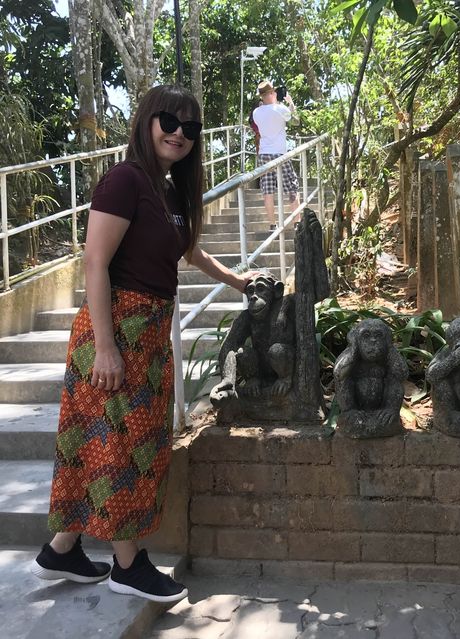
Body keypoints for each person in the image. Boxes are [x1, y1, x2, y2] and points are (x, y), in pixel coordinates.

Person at [31, 84, 254, 604]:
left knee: (114, 447)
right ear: (147, 122)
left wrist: (239, 281)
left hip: (151, 334)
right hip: (114, 331)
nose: (179, 134)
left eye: (191, 128)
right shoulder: (125, 181)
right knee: (121, 450)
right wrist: (106, 347)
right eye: (169, 122)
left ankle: (62, 550)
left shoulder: (171, 191)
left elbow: (190, 251)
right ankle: (129, 565)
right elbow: (95, 263)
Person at [252, 81, 300, 229]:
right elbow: (295, 121)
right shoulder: (280, 109)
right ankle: (297, 222)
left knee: (268, 190)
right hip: (280, 154)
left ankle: (272, 224)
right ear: (271, 94)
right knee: (291, 186)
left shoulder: (256, 112)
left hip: (264, 154)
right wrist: (290, 103)